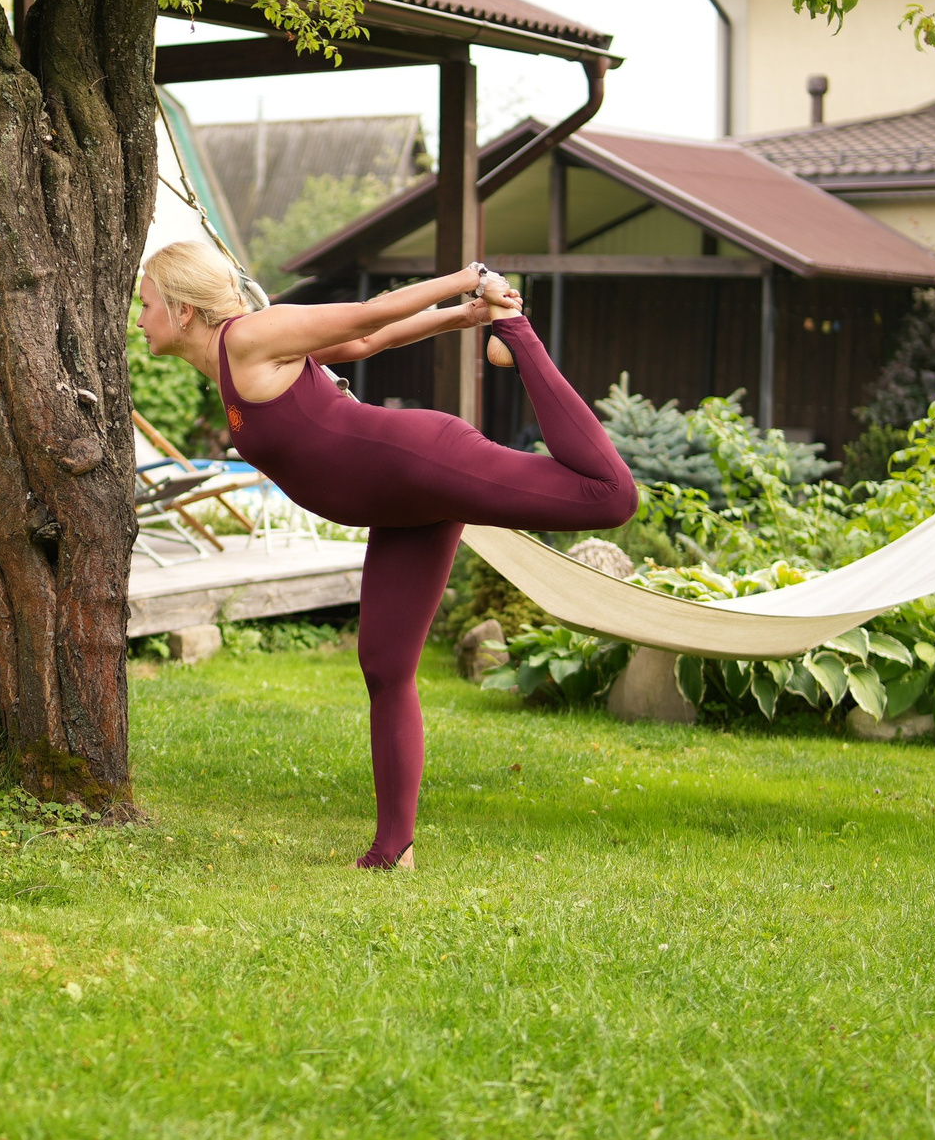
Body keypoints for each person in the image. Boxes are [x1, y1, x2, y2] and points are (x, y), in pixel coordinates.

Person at [136, 240, 637, 870]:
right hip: (399, 508)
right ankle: (390, 848)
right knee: (384, 663)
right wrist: (460, 317)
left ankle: (520, 333)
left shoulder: (251, 336)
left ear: (183, 311)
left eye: (146, 302)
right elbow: (367, 346)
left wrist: (469, 282)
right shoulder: (234, 361)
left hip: (423, 462)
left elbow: (368, 316)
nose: (139, 317)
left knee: (608, 498)